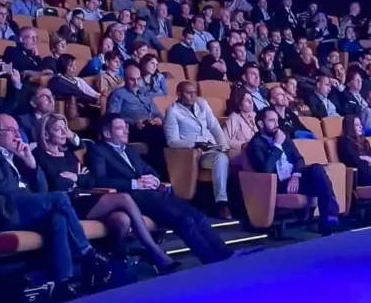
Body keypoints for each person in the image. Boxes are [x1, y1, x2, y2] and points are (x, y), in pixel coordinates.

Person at [0, 114, 109, 299]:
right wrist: (24, 189)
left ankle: (63, 282)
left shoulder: (17, 156)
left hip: (24, 208)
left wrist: (30, 162)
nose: (17, 136)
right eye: (11, 131)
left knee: (58, 218)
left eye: (18, 131)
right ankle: (87, 253)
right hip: (5, 211)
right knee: (59, 198)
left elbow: (42, 189)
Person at [33, 112, 180, 272]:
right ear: (45, 134)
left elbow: (90, 180)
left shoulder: (67, 153)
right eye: (57, 129)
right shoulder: (39, 156)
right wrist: (78, 178)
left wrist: (76, 178)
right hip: (67, 204)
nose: (63, 133)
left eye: (65, 128)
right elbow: (57, 183)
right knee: (123, 198)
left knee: (122, 219)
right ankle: (154, 252)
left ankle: (114, 260)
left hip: (85, 196)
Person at [88, 115, 245, 263]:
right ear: (107, 133)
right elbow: (100, 180)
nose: (126, 130)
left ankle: (226, 254)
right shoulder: (98, 150)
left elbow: (148, 169)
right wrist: (135, 183)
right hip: (132, 198)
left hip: (154, 193)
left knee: (198, 216)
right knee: (184, 220)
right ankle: (212, 260)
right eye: (120, 128)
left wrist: (154, 180)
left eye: (126, 127)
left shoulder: (129, 150)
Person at [246, 108, 340, 232]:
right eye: (272, 121)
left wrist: (296, 175)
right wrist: (277, 146)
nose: (276, 124)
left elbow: (299, 158)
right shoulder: (255, 145)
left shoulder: (282, 136)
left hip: (295, 179)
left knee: (317, 169)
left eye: (277, 121)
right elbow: (266, 170)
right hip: (278, 184)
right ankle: (326, 220)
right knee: (322, 184)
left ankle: (328, 217)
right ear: (261, 124)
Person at [163, 81, 232, 218]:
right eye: (189, 93)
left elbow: (214, 126)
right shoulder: (172, 111)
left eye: (194, 92)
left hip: (210, 148)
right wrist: (195, 144)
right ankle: (222, 205)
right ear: (179, 94)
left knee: (222, 157)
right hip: (191, 154)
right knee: (220, 159)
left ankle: (222, 201)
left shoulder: (202, 104)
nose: (193, 95)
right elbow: (172, 141)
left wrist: (224, 146)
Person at [224, 85, 259, 149]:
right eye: (247, 100)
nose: (251, 102)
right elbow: (224, 140)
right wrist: (244, 145)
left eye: (251, 100)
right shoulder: (233, 118)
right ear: (239, 104)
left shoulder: (257, 116)